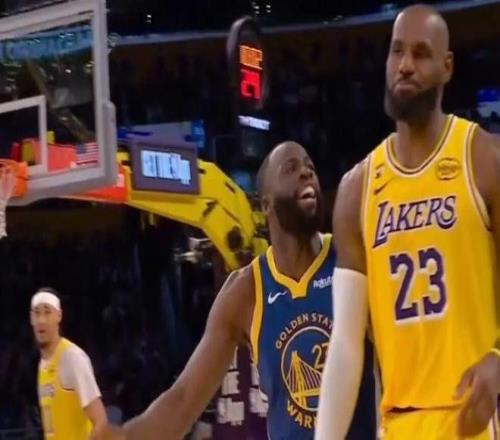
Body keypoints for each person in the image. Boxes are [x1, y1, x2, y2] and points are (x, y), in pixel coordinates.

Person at [96, 141, 375, 439]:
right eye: (291, 168)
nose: (306, 173)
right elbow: (184, 399)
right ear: (266, 205)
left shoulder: (350, 257)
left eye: (310, 167)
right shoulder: (246, 291)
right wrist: (126, 436)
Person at [316, 5, 500, 440]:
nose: (405, 65)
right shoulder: (357, 189)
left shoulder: (483, 158)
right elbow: (346, 343)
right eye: (397, 51)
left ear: (447, 67)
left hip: (476, 418)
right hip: (399, 421)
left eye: (420, 53)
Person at [31, 287, 107, 439]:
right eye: (37, 313)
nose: (41, 320)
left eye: (47, 312)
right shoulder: (42, 364)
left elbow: (100, 422)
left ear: (59, 316)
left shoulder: (72, 358)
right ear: (31, 318)